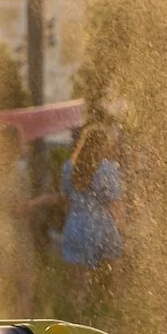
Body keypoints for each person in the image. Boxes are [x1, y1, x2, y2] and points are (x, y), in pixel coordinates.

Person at [58, 121, 124, 285]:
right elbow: (115, 205)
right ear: (104, 146)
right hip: (102, 228)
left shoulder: (69, 168)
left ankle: (76, 310)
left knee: (78, 287)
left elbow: (65, 201)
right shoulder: (108, 170)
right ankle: (106, 310)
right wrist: (123, 230)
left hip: (75, 227)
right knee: (109, 285)